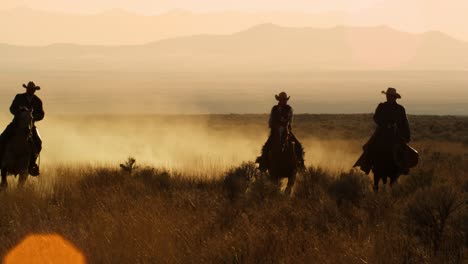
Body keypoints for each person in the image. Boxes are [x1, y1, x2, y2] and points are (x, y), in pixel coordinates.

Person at [355, 87, 412, 190]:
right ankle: (367, 165)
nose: (388, 98)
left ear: (394, 97)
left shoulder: (400, 109)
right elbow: (376, 118)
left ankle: (403, 168)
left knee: (404, 150)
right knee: (370, 146)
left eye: (390, 96)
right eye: (387, 96)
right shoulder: (382, 106)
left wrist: (406, 136)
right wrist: (384, 123)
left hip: (396, 134)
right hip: (381, 132)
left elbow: (404, 123)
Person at [0, 81, 44, 176]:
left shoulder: (37, 101)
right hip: (16, 123)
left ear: (34, 90)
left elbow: (41, 114)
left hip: (30, 125)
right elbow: (12, 108)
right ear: (26, 89)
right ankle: (1, 160)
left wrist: (32, 117)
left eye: (32, 90)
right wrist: (20, 114)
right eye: (29, 89)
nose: (30, 91)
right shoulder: (19, 97)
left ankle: (31, 164)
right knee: (2, 137)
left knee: (38, 142)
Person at [256, 92, 305, 171]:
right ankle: (263, 163)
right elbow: (271, 120)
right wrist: (273, 125)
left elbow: (290, 120)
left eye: (284, 99)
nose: (283, 101)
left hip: (286, 130)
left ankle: (301, 164)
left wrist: (288, 125)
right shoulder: (274, 108)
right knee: (266, 146)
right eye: (282, 99)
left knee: (298, 146)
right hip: (275, 130)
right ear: (279, 100)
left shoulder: (289, 109)